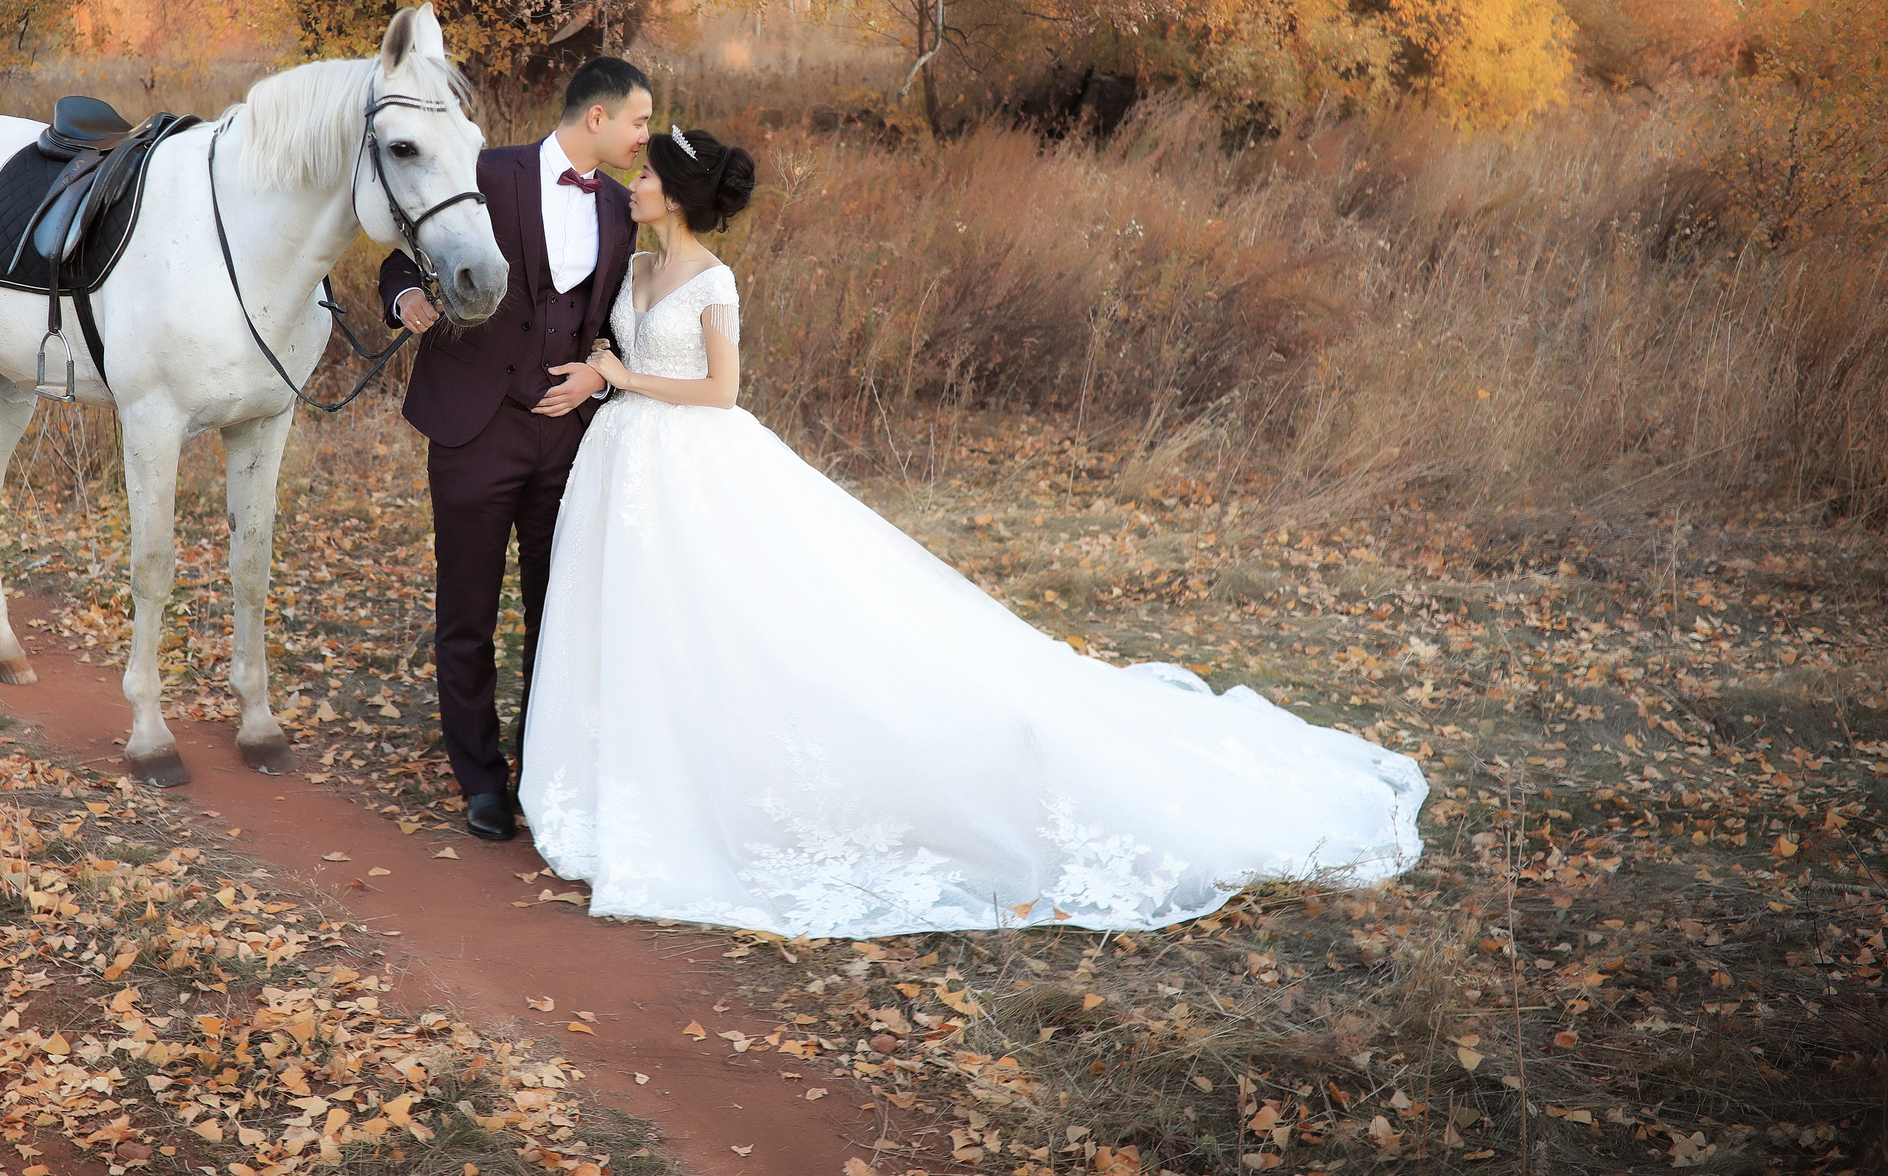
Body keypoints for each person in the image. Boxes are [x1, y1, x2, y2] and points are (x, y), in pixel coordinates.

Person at [520, 126, 1428, 936]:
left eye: (644, 175)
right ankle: (636, 774)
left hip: (696, 463)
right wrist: (604, 373)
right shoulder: (634, 268)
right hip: (627, 466)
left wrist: (625, 378)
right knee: (650, 621)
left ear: (674, 194)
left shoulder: (714, 282)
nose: (629, 184)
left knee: (745, 615)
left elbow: (722, 392)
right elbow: (611, 347)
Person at [379, 57, 653, 842]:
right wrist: (405, 298)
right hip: (473, 425)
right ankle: (480, 778)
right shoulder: (486, 171)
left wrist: (596, 382)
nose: (645, 135)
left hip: (567, 438)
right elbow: (404, 253)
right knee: (466, 610)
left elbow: (626, 328)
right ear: (596, 118)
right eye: (638, 119)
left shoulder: (624, 209)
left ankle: (543, 768)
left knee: (553, 611)